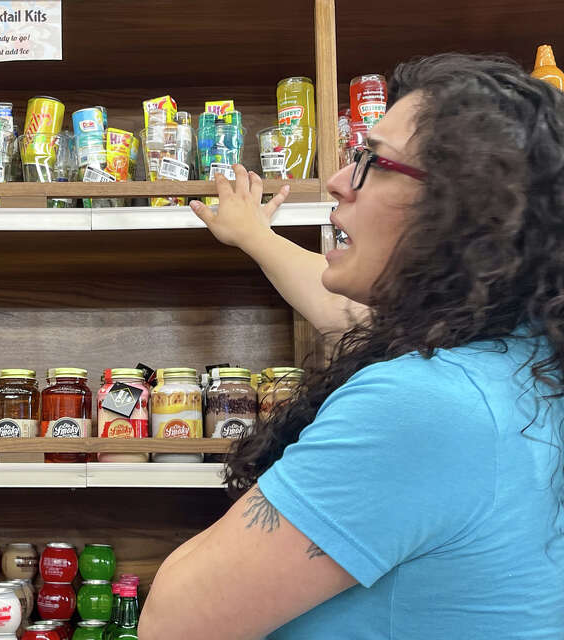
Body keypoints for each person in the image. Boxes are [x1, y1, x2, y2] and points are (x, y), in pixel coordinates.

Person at [139, 53, 564, 639]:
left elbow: (177, 622)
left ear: (464, 206)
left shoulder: (428, 406)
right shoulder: (524, 361)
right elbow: (344, 311)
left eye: (371, 160)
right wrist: (254, 236)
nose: (339, 179)